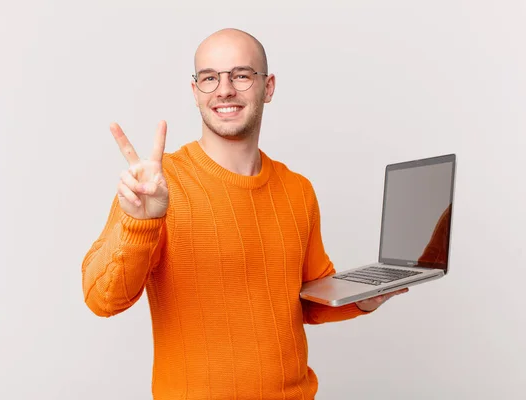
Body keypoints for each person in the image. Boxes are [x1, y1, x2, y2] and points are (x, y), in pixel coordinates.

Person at [81, 28, 408, 400]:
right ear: (195, 92)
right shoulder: (157, 185)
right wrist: (141, 223)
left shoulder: (297, 189)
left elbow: (304, 300)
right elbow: (101, 299)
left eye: (240, 75)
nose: (224, 90)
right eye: (209, 78)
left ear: (268, 87)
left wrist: (363, 298)